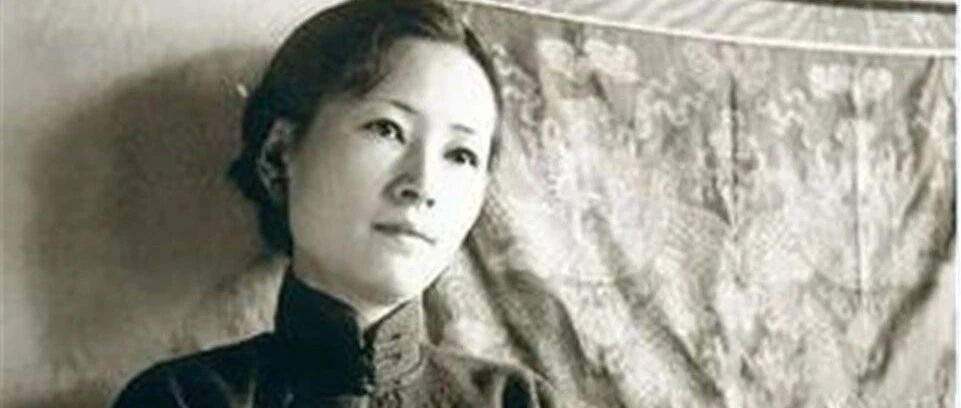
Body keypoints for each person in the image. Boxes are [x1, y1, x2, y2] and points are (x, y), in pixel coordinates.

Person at [113, 0, 557, 406]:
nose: (422, 185)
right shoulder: (184, 398)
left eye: (461, 155)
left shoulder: (520, 400)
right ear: (279, 153)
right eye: (386, 129)